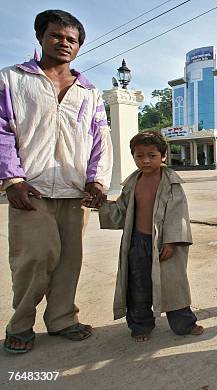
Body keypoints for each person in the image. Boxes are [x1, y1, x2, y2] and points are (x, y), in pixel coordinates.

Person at [0, 10, 112, 354]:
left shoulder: (89, 92)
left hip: (74, 191)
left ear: (79, 47)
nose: (64, 43)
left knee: (69, 259)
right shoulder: (12, 79)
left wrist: (97, 181)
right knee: (33, 258)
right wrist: (12, 179)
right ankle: (20, 324)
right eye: (56, 36)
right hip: (29, 190)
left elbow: (99, 138)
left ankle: (62, 318)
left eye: (72, 40)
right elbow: (2, 130)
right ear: (40, 37)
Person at [85, 131, 204, 341]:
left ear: (163, 156)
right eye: (140, 156)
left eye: (152, 155)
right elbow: (121, 210)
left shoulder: (171, 184)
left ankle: (184, 323)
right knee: (138, 285)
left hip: (165, 244)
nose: (146, 160)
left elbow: (178, 215)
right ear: (133, 156)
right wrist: (102, 205)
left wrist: (171, 241)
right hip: (137, 242)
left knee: (173, 284)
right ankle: (140, 326)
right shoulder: (132, 183)